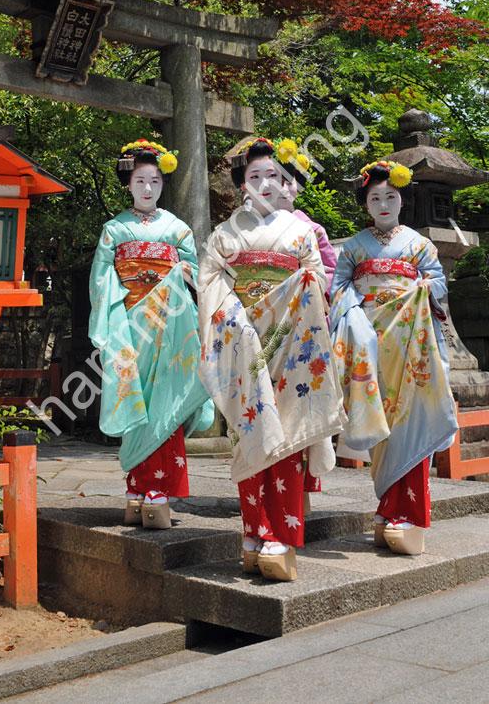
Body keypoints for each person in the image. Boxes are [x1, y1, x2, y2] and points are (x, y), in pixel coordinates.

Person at [198, 137, 346, 581]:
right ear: (243, 185)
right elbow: (210, 285)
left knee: (287, 432)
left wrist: (291, 300)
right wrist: (238, 323)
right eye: (255, 176)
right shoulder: (225, 235)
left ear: (284, 182)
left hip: (291, 345)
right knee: (250, 431)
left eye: (273, 177)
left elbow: (315, 281)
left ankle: (279, 536)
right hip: (243, 341)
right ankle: (252, 532)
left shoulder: (300, 233)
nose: (265, 184)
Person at [330, 160, 458, 555]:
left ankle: (410, 514)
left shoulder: (420, 245)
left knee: (411, 421)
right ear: (365, 204)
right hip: (370, 343)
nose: (383, 203)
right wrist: (354, 317)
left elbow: (437, 282)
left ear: (402, 199)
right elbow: (338, 290)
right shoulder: (352, 247)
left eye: (390, 196)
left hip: (410, 343)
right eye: (375, 198)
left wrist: (423, 287)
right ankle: (387, 509)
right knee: (379, 421)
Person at [89, 139, 214, 529]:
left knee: (166, 399)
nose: (148, 188)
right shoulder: (114, 229)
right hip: (130, 324)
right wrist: (113, 319)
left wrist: (175, 279)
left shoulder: (177, 228)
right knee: (134, 400)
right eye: (141, 180)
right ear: (128, 183)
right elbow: (101, 280)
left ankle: (158, 490)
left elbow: (196, 274)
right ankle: (135, 488)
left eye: (155, 181)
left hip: (170, 327)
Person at [275, 151, 338, 508]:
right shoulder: (252, 227)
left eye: (288, 180)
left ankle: (301, 489)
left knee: (303, 403)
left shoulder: (312, 229)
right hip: (266, 326)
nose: (281, 187)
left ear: (298, 187)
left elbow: (330, 271)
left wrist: (304, 281)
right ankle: (267, 482)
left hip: (304, 324)